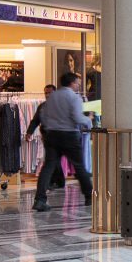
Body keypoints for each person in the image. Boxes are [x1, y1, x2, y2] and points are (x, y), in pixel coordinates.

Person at [31, 73, 92, 211]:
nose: (78, 85)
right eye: (77, 83)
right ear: (72, 83)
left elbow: (43, 116)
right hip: (69, 135)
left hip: (52, 135)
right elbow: (77, 118)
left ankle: (39, 200)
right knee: (79, 166)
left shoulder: (52, 97)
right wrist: (89, 120)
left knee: (48, 167)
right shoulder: (74, 98)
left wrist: (50, 128)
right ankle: (89, 196)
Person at [26, 84, 66, 189]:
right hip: (47, 137)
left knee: (52, 160)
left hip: (59, 136)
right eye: (46, 93)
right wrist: (29, 132)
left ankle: (54, 182)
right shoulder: (42, 106)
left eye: (50, 93)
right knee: (53, 159)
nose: (47, 95)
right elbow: (35, 121)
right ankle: (59, 181)